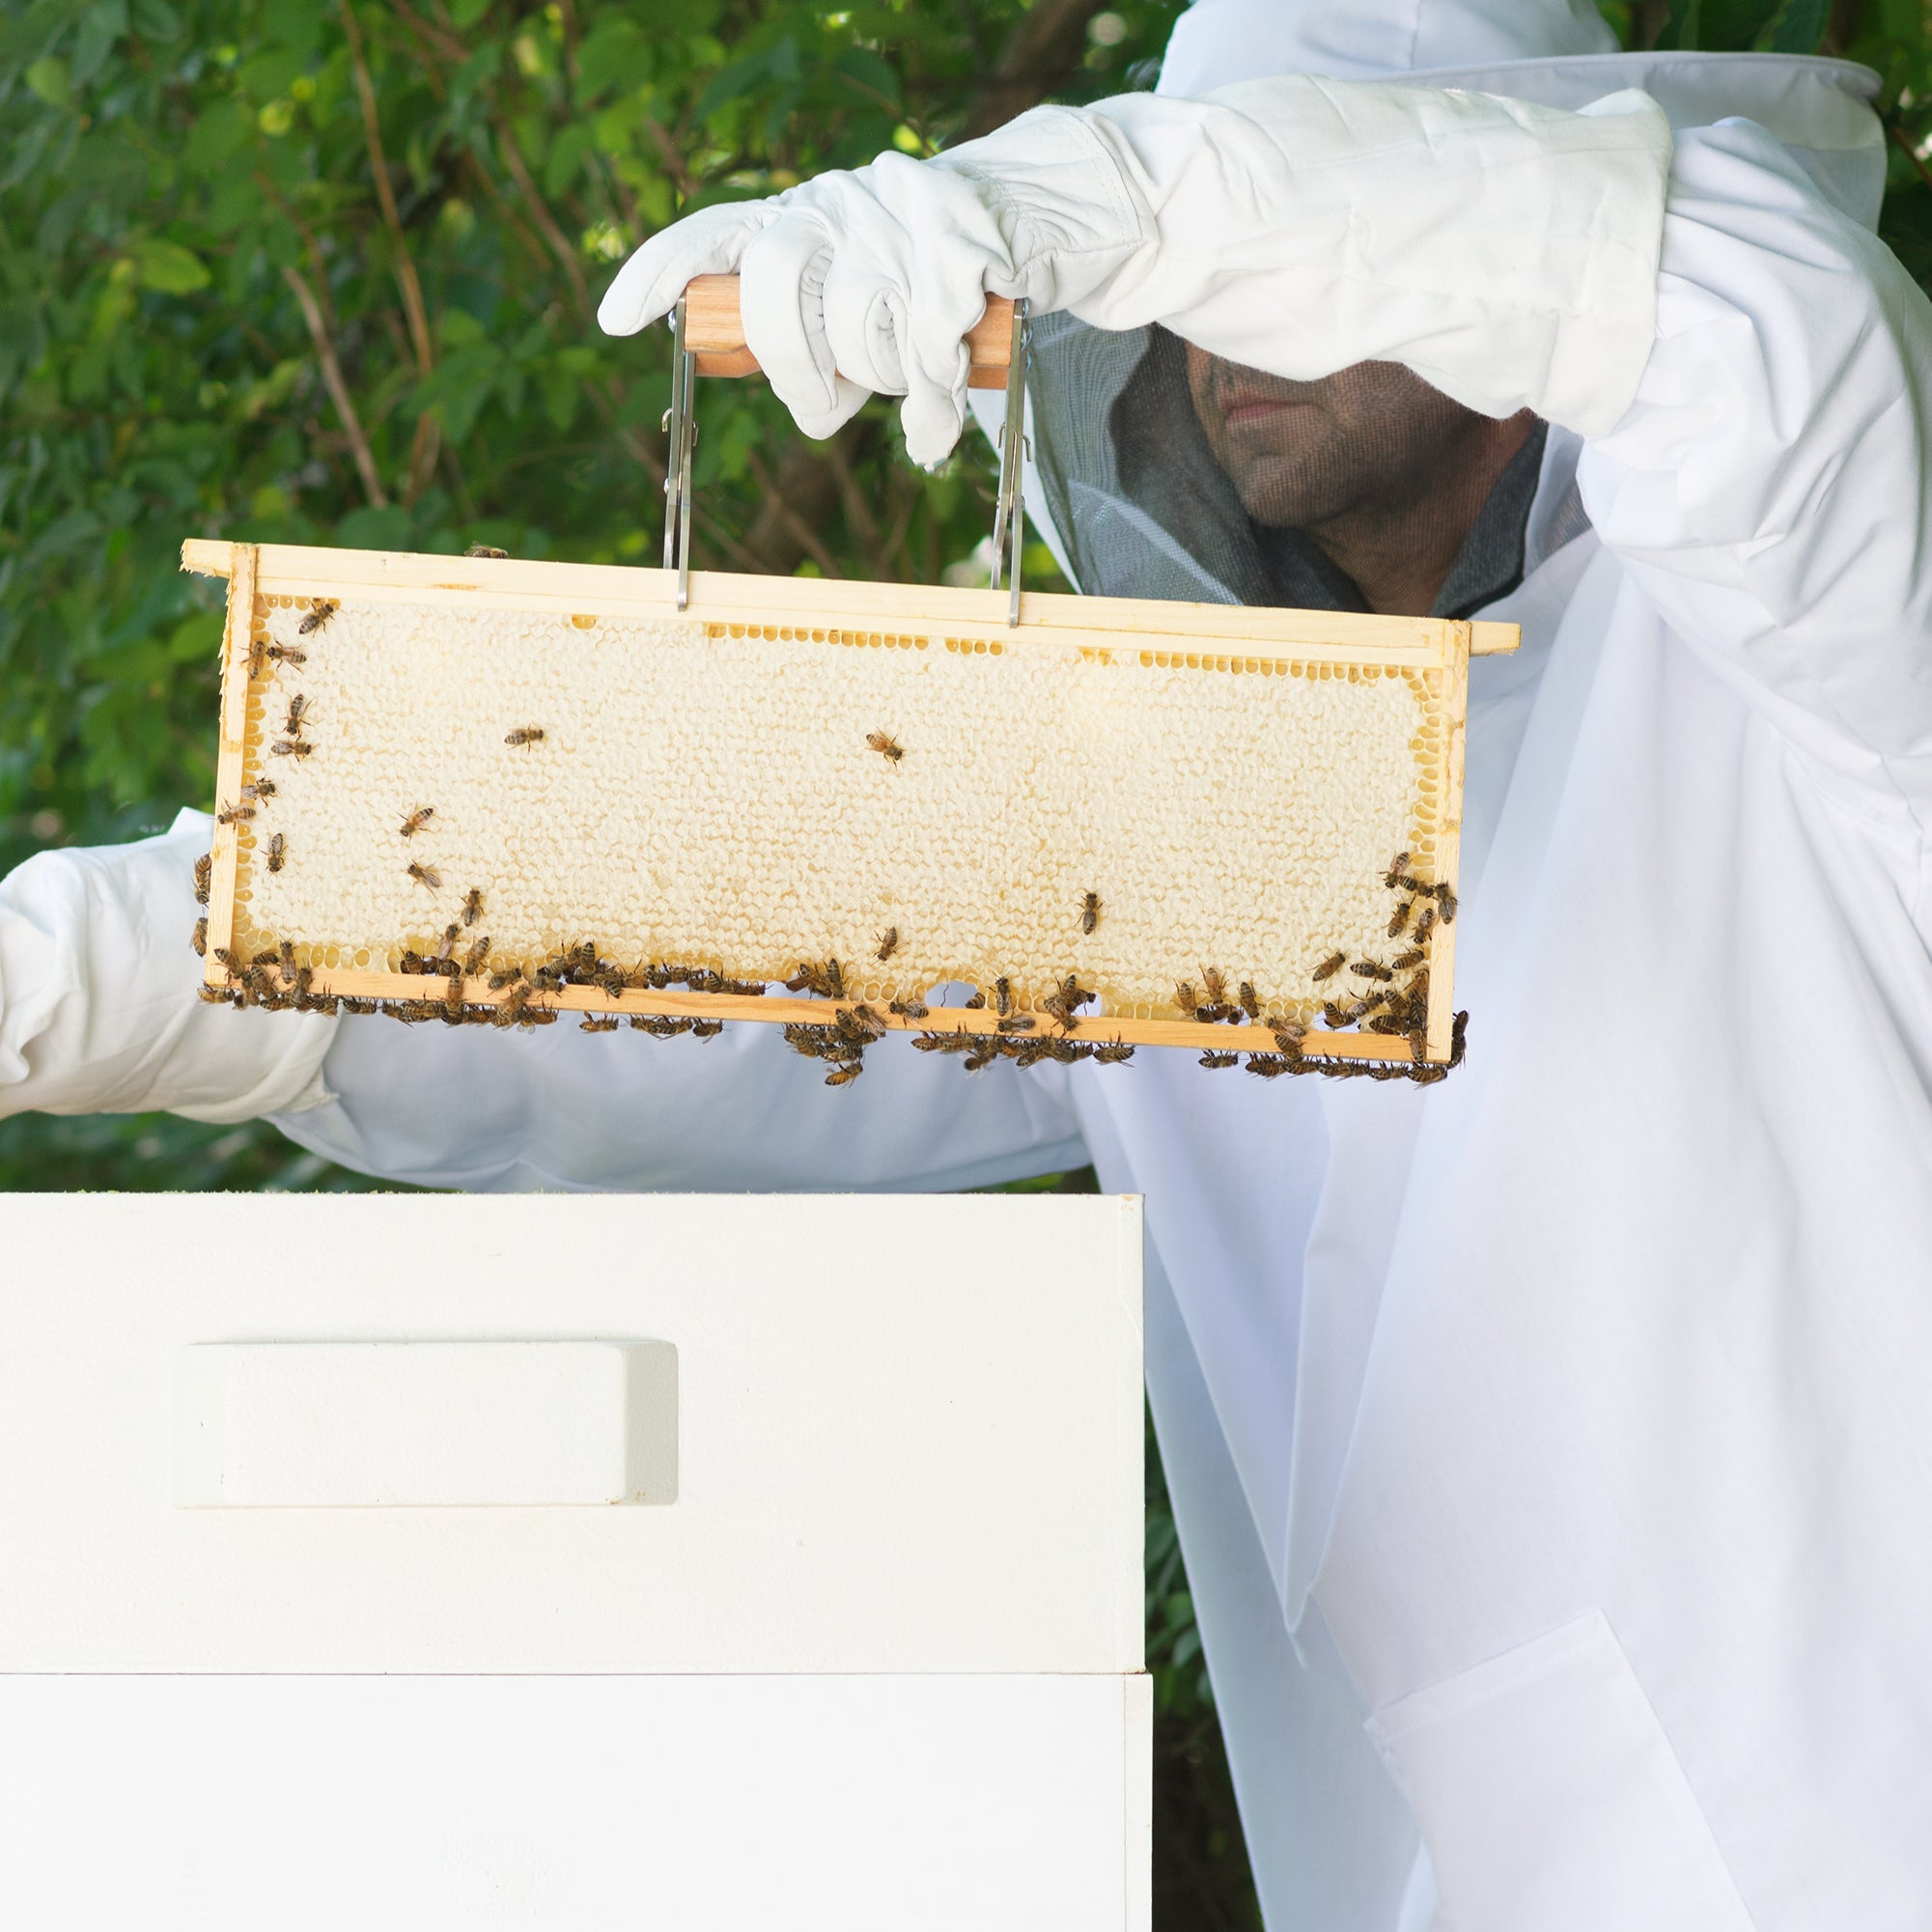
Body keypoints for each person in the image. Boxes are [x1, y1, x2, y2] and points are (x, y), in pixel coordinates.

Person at [5, 0, 1930, 1921]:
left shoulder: (1815, 657)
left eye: (1273, 246)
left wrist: (1118, 199)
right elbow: (656, 952)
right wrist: (105, 962)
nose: (1211, 324)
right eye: (1183, 281)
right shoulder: (1205, 803)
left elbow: (1747, 320)